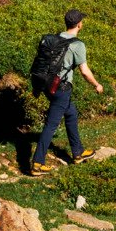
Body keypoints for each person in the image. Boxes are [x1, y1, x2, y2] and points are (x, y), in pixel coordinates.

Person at [29, 9, 104, 171]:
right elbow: (84, 71)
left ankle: (78, 152)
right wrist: (97, 85)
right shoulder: (77, 45)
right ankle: (37, 163)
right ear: (79, 24)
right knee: (51, 125)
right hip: (61, 89)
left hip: (47, 85)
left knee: (71, 113)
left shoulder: (55, 38)